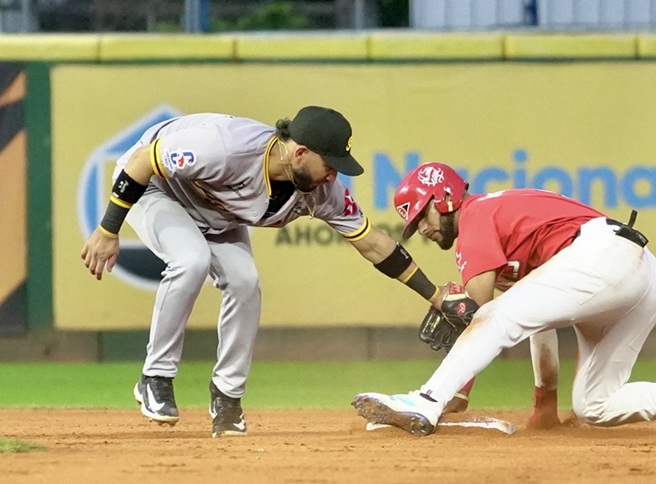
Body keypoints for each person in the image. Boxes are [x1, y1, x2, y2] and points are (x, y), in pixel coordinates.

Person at [81, 106, 447, 438]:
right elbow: (144, 160)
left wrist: (436, 296)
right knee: (190, 260)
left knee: (245, 282)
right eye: (330, 163)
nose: (334, 174)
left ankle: (227, 397)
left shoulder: (321, 191)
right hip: (155, 187)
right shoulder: (226, 147)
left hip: (217, 211)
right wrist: (108, 229)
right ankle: (155, 378)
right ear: (300, 152)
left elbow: (372, 243)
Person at [352, 162, 656, 435]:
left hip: (601, 257)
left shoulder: (476, 216)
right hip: (642, 273)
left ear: (444, 199)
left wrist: (452, 389)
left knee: (495, 314)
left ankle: (425, 401)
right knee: (595, 405)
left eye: (423, 215)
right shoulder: (502, 231)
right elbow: (531, 319)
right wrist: (543, 403)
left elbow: (478, 312)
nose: (421, 227)